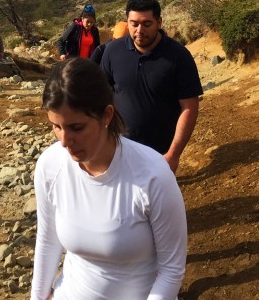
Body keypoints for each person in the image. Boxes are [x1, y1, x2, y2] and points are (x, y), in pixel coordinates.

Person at [30, 58, 187, 300]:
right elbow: (48, 241)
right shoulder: (50, 166)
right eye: (56, 127)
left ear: (106, 116)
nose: (64, 141)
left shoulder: (153, 174)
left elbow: (171, 270)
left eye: (77, 127)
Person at [98, 0, 203, 173]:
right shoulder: (112, 51)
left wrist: (173, 155)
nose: (139, 30)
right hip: (119, 147)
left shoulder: (179, 56)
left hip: (160, 153)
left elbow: (190, 107)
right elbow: (101, 93)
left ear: (159, 22)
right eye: (134, 24)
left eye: (146, 24)